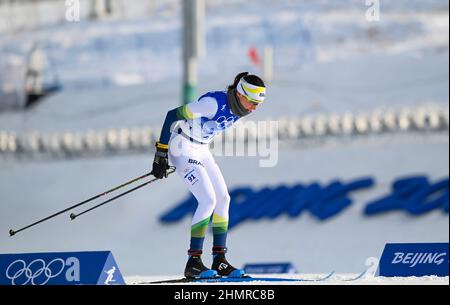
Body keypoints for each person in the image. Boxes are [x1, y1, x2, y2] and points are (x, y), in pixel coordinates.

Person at [152, 72, 266, 278]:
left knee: (224, 199)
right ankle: (193, 262)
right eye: (252, 102)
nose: (254, 108)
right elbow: (172, 115)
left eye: (258, 104)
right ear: (240, 94)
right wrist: (161, 152)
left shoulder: (239, 107)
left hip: (201, 149)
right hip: (182, 147)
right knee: (208, 200)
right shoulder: (212, 104)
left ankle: (219, 260)